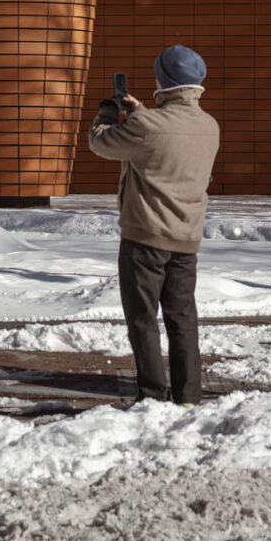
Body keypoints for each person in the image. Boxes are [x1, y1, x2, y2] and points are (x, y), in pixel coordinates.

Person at [87, 44, 221, 404]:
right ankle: (189, 394)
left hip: (144, 237)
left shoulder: (147, 126)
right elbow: (168, 139)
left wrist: (107, 112)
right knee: (182, 319)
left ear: (162, 81)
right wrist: (143, 113)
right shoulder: (210, 126)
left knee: (143, 318)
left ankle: (152, 392)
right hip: (186, 238)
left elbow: (100, 143)